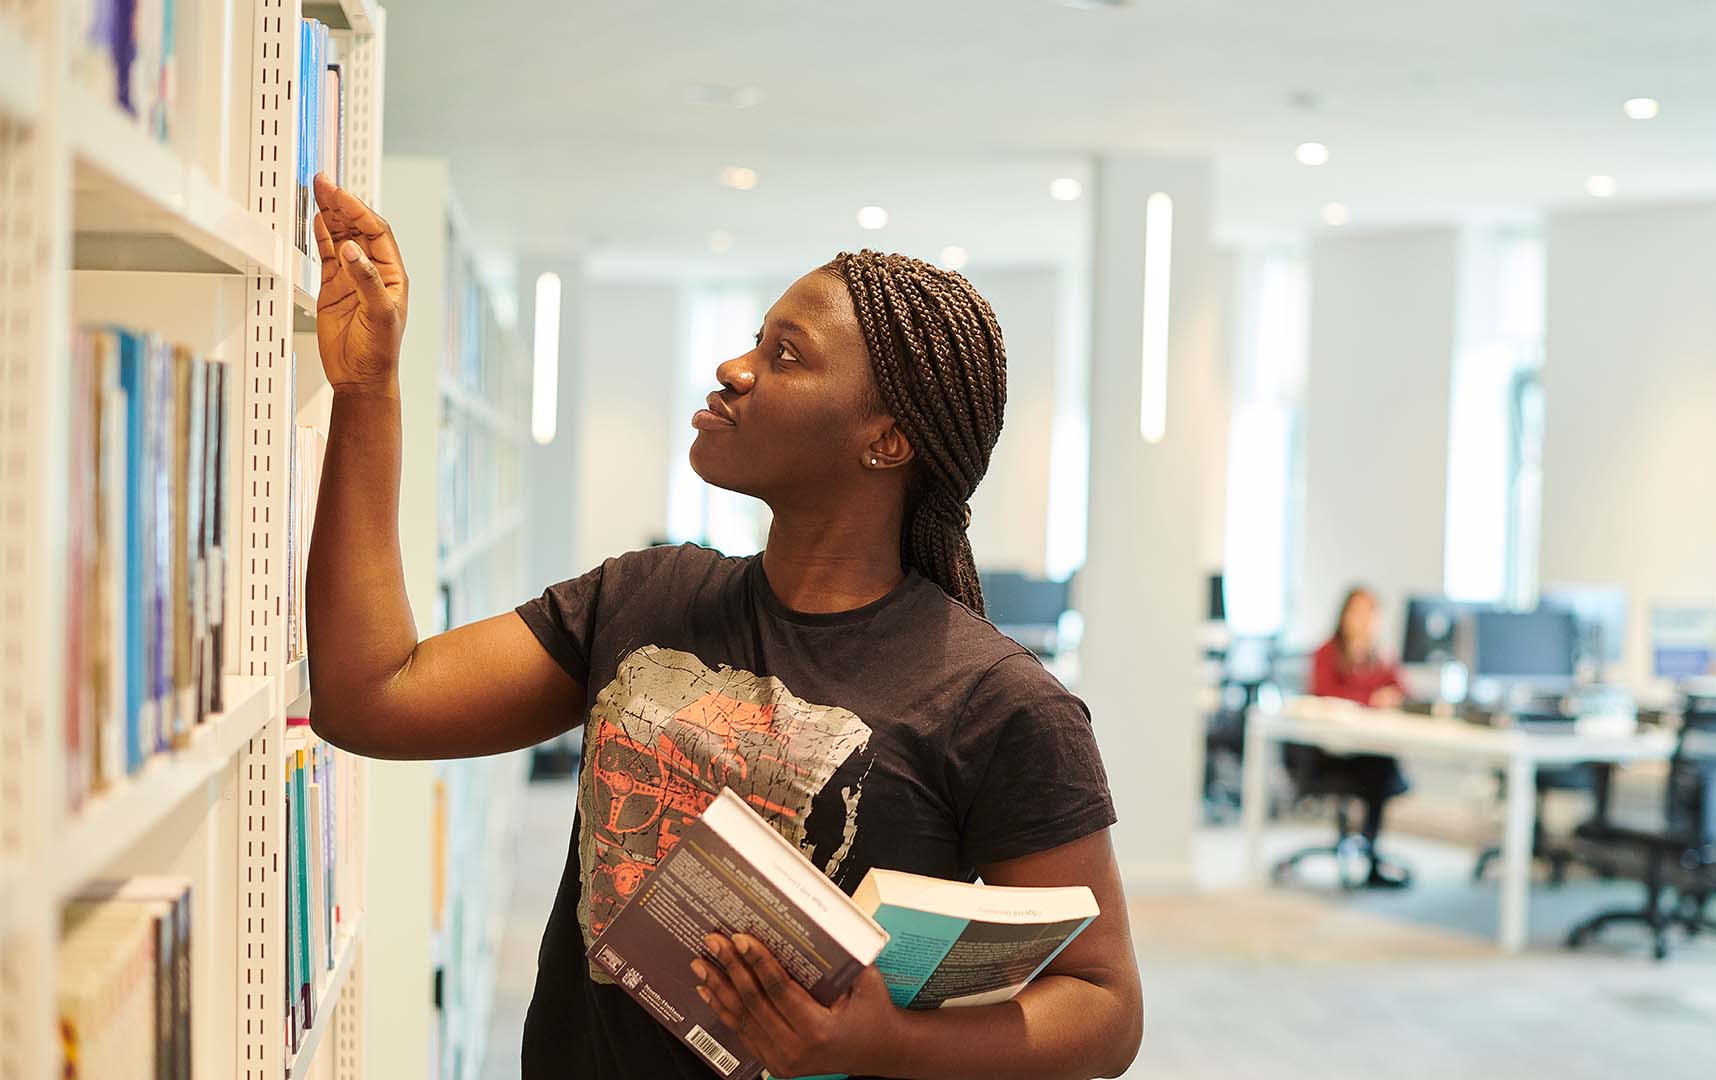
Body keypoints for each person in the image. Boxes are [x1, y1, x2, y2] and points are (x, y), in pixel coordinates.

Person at [300, 174, 1143, 1080]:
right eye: (754, 341)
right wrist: (369, 390)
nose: (735, 370)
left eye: (786, 356)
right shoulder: (643, 597)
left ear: (887, 441)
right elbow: (371, 698)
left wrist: (883, 1042)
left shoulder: (999, 702)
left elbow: (1104, 1007)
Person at [1305, 585, 1412, 888]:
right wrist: (1372, 699)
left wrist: (1391, 696)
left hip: (1367, 751)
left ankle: (1371, 852)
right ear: (1344, 615)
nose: (1365, 620)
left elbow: (1403, 692)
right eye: (1359, 611)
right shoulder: (1326, 653)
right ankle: (1368, 849)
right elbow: (1327, 694)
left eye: (1371, 613)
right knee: (1378, 767)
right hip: (1329, 754)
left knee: (1382, 762)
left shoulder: (1379, 656)